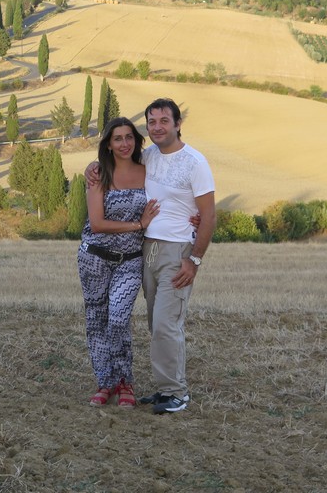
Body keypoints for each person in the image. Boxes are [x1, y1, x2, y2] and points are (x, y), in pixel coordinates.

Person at [87, 98, 215, 415]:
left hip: (177, 250)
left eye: (164, 121)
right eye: (152, 121)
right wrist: (93, 166)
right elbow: (117, 160)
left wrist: (194, 259)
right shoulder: (149, 156)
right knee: (155, 324)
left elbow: (209, 215)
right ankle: (164, 389)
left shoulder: (195, 162)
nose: (157, 127)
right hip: (148, 248)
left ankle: (176, 393)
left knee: (166, 324)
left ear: (177, 124)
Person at [78, 117, 159, 408]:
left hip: (130, 261)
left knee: (118, 319)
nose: (124, 143)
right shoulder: (99, 174)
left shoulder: (148, 172)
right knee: (96, 321)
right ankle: (106, 383)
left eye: (129, 137)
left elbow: (171, 198)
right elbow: (97, 224)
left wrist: (193, 218)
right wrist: (138, 225)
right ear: (108, 145)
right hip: (94, 258)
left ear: (136, 141)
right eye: (117, 139)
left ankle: (125, 381)